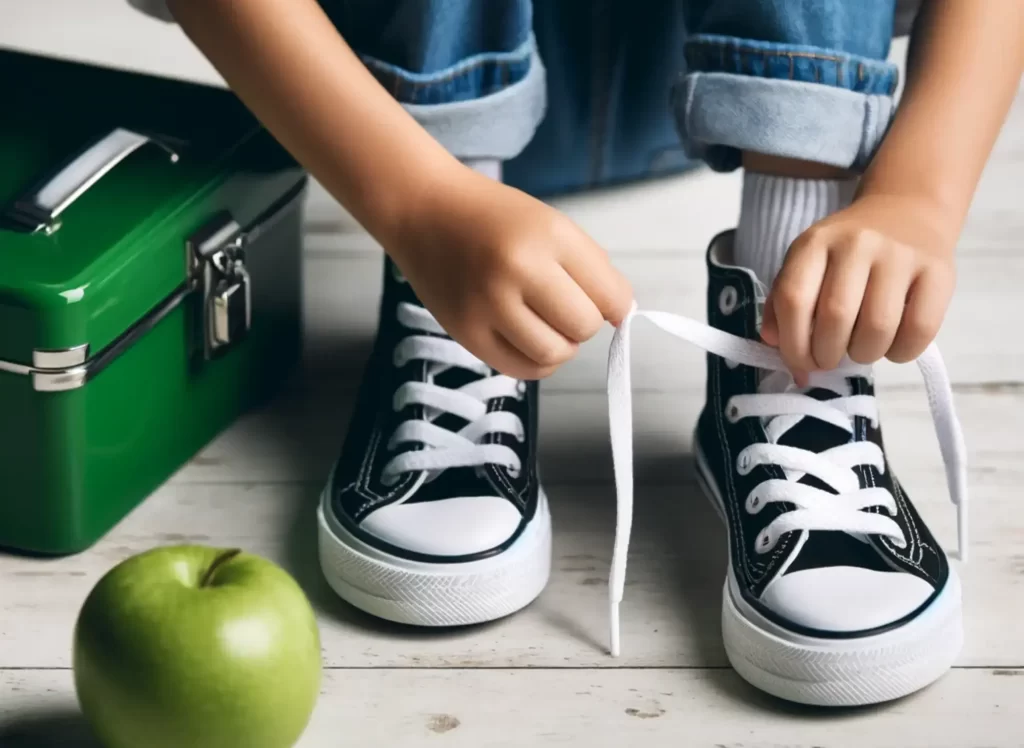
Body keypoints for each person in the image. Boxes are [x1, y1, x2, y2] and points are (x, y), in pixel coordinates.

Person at [132, 0, 1023, 706]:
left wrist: (919, 190)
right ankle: (455, 248)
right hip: (390, 93)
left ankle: (791, 296)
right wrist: (418, 204)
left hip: (716, 63)